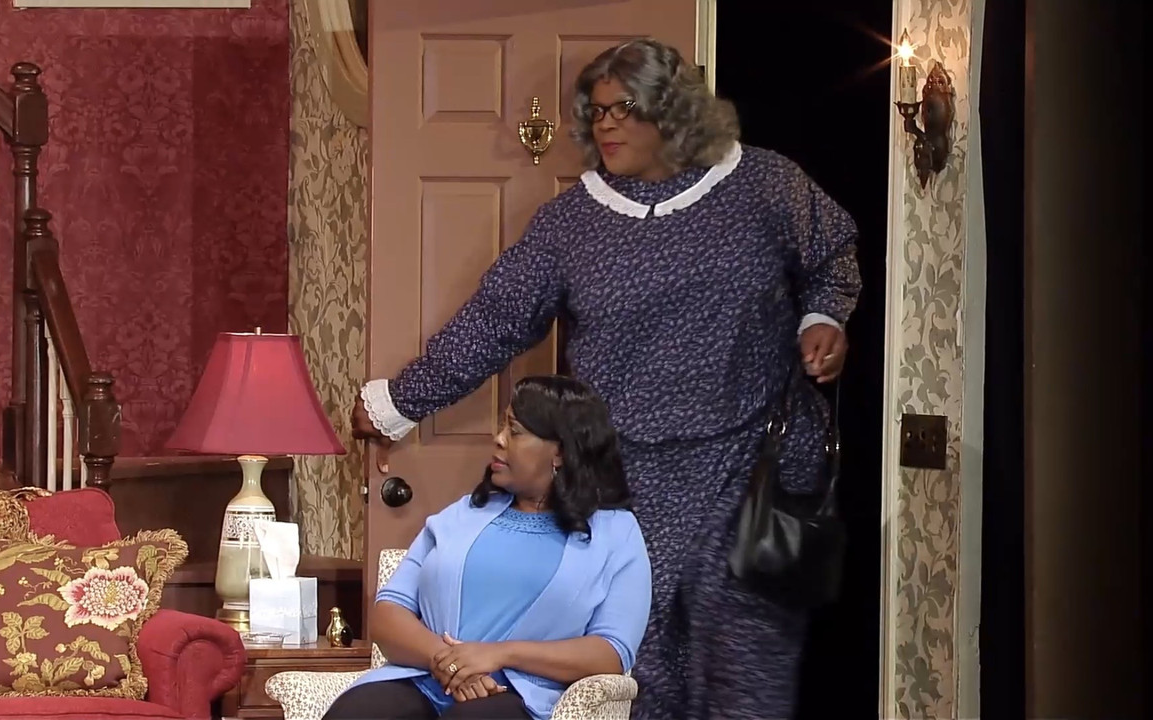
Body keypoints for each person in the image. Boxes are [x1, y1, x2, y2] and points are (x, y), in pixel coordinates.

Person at [352, 38, 859, 720]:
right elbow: (494, 321)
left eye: (625, 108)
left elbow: (832, 255)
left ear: (673, 112)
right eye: (596, 112)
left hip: (749, 469)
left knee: (744, 665)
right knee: (641, 670)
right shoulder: (573, 223)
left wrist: (823, 319)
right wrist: (399, 402)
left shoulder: (765, 184)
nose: (607, 125)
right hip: (627, 478)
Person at [327, 375, 651, 720]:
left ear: (559, 451)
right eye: (502, 426)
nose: (498, 439)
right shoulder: (462, 514)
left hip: (520, 697)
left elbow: (611, 652)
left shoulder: (616, 534)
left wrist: (499, 655)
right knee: (359, 712)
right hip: (423, 679)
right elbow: (388, 612)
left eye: (515, 431)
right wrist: (449, 663)